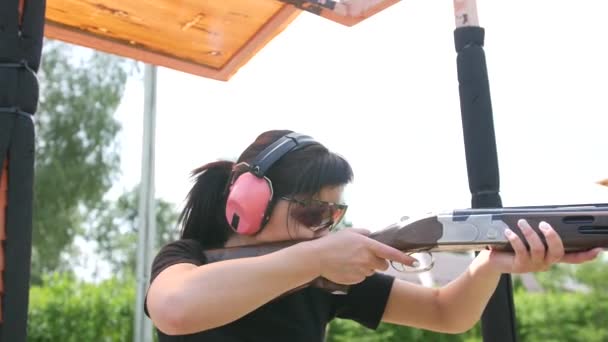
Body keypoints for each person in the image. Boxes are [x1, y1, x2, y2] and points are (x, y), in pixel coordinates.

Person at [144, 129, 602, 341]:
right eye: (312, 213)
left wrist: (493, 262)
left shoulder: (325, 276)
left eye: (334, 213)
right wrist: (318, 258)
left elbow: (447, 314)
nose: (325, 227)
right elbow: (175, 310)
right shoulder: (188, 258)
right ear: (248, 202)